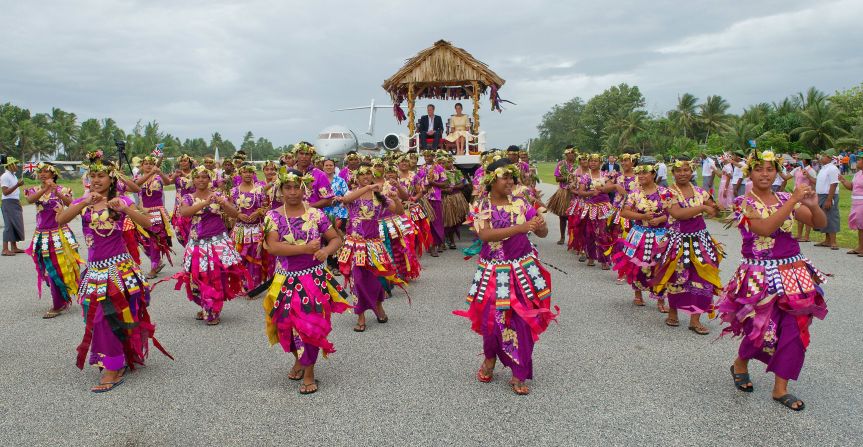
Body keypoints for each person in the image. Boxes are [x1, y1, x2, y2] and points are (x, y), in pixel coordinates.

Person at [719, 149, 827, 412]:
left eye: (770, 169)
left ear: (777, 172)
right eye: (759, 169)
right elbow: (765, 228)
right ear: (750, 173)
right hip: (759, 274)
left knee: (794, 328)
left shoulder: (783, 198)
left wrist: (812, 205)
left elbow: (820, 224)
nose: (765, 174)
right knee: (760, 329)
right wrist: (792, 201)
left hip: (794, 272)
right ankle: (740, 363)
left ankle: (781, 388)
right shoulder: (742, 203)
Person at [55, 159, 172, 392]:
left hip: (120, 269)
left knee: (114, 315)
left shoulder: (122, 201)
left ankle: (113, 367)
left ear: (111, 179)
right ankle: (114, 358)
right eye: (93, 176)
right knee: (97, 316)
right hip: (95, 270)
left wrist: (126, 209)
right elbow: (61, 219)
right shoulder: (84, 202)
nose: (96, 180)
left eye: (101, 176)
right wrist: (85, 201)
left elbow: (148, 223)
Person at [454, 158, 556, 396]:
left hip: (523, 269)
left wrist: (539, 225)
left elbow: (541, 232)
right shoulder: (480, 205)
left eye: (512, 177)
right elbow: (486, 235)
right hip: (494, 271)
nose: (511, 182)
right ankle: (490, 359)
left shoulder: (521, 202)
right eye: (505, 177)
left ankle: (519, 372)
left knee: (522, 320)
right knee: (492, 321)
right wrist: (521, 228)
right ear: (492, 180)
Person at [261, 169, 351, 395]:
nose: (292, 192)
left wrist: (325, 252)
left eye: (296, 187)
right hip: (284, 280)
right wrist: (304, 248)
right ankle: (299, 359)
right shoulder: (272, 216)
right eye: (287, 188)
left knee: (309, 325)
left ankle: (309, 373)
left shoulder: (316, 215)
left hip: (312, 279)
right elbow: (272, 246)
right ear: (280, 190)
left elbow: (335, 239)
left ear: (304, 188)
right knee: (284, 326)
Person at [171, 166, 249, 325]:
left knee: (215, 275)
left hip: (217, 241)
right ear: (193, 180)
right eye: (198, 177)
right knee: (197, 276)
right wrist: (205, 203)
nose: (201, 180)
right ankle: (206, 304)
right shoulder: (188, 197)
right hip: (197, 243)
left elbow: (235, 214)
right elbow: (185, 212)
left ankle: (212, 309)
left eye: (204, 177)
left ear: (209, 179)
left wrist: (224, 204)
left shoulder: (218, 195)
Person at [653, 159, 723, 334]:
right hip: (677, 240)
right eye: (678, 170)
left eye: (686, 170)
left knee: (703, 277)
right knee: (677, 276)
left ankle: (695, 319)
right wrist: (703, 208)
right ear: (673, 173)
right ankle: (673, 311)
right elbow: (677, 213)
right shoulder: (667, 193)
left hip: (700, 240)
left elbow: (713, 210)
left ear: (692, 172)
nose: (682, 173)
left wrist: (718, 208)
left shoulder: (700, 192)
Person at [338, 166, 405, 332]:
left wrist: (396, 199)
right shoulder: (353, 195)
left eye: (368, 174)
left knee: (377, 280)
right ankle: (360, 316)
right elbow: (345, 201)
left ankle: (378, 307)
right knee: (357, 281)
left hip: (374, 244)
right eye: (361, 175)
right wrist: (367, 188)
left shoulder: (379, 196)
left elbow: (399, 211)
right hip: (355, 244)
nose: (366, 177)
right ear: (356, 178)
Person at [25, 163, 82, 318]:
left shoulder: (63, 189)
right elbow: (30, 200)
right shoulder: (35, 190)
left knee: (59, 268)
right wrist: (44, 189)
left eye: (46, 172)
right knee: (48, 270)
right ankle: (61, 297)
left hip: (60, 234)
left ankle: (59, 303)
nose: (43, 174)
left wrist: (57, 191)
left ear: (53, 174)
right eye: (40, 172)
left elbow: (72, 204)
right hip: (42, 235)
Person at [612, 164, 670, 311]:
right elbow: (624, 212)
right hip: (640, 233)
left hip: (661, 234)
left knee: (661, 265)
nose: (641, 176)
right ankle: (638, 294)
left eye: (645, 173)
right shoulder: (634, 194)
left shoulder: (665, 192)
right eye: (639, 173)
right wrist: (642, 216)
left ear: (653, 174)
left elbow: (672, 213)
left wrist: (660, 219)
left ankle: (661, 299)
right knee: (637, 264)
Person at [230, 163, 271, 297]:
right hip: (240, 229)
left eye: (250, 172)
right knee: (240, 255)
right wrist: (238, 214)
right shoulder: (234, 191)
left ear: (253, 174)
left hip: (256, 229)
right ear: (240, 174)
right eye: (245, 172)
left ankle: (254, 285)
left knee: (255, 255)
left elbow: (267, 207)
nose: (247, 174)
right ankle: (241, 283)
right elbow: (230, 209)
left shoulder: (260, 189)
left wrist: (258, 212)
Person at [134, 156, 174, 279]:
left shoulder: (158, 178)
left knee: (154, 240)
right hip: (143, 212)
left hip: (157, 212)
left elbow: (168, 182)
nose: (148, 165)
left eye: (151, 163)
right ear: (142, 166)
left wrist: (159, 172)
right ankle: (156, 262)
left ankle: (153, 267)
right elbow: (136, 185)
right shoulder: (139, 179)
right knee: (142, 240)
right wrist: (150, 173)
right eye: (145, 163)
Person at [576, 154, 616, 269]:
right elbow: (580, 192)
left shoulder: (605, 175)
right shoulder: (585, 177)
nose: (593, 163)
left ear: (600, 163)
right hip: (590, 208)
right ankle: (591, 257)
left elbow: (611, 187)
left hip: (605, 207)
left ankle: (604, 260)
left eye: (595, 161)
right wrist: (591, 193)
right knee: (590, 233)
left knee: (603, 232)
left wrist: (603, 188)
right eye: (591, 161)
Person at [547, 146, 576, 245]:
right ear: (566, 154)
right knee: (562, 216)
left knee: (574, 217)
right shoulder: (561, 164)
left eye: (573, 153)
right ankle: (562, 237)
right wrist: (568, 177)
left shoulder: (578, 164)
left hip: (575, 193)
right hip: (563, 192)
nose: (571, 155)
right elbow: (557, 179)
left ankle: (573, 239)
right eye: (569, 153)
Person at [814, 149, 841, 250]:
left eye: (823, 156)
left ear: (829, 158)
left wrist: (829, 199)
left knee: (831, 217)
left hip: (829, 195)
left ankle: (833, 241)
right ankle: (827, 240)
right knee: (824, 217)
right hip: (821, 195)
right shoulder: (823, 168)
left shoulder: (832, 168)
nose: (821, 158)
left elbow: (834, 184)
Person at [442, 154, 470, 249]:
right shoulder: (439, 172)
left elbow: (464, 184)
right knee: (448, 220)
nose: (448, 164)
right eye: (446, 162)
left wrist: (453, 187)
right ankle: (449, 239)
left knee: (457, 220)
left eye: (450, 162)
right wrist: (444, 190)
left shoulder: (457, 172)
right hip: (445, 198)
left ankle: (450, 238)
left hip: (457, 197)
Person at [838, 151, 863, 256]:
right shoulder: (857, 174)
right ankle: (860, 246)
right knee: (860, 225)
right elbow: (852, 187)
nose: (858, 161)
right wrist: (843, 181)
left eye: (860, 159)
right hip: (856, 202)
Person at [169, 154, 195, 247]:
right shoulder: (177, 173)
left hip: (191, 202)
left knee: (191, 226)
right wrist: (175, 175)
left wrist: (185, 175)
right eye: (181, 161)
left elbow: (195, 184)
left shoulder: (195, 173)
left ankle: (192, 248)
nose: (183, 163)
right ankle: (187, 247)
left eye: (185, 161)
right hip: (178, 204)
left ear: (190, 162)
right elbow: (167, 182)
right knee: (178, 228)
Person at [1, 157, 25, 256]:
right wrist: (17, 185)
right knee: (9, 225)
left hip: (14, 202)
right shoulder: (5, 176)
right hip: (8, 203)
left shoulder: (13, 175)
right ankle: (5, 249)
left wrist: (18, 202)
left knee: (15, 224)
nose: (17, 166)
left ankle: (14, 247)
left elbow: (14, 192)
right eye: (15, 164)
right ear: (10, 165)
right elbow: (5, 192)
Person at [790, 154, 817, 242]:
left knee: (807, 214)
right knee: (799, 213)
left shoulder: (811, 170)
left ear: (805, 160)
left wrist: (811, 193)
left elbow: (815, 182)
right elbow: (786, 177)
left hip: (806, 194)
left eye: (800, 159)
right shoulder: (797, 169)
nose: (798, 160)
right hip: (798, 194)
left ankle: (806, 236)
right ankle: (799, 235)